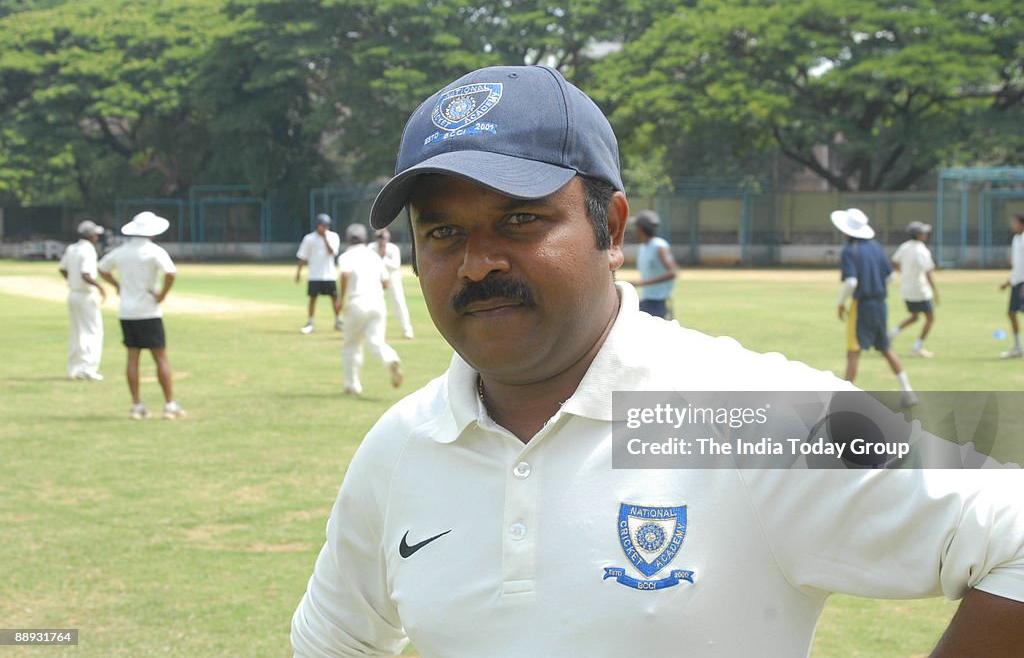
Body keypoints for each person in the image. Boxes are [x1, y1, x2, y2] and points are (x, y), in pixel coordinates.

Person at [292, 66, 1024, 657]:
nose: (478, 263)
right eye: (443, 232)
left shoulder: (745, 414)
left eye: (520, 220)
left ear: (610, 229)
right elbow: (332, 641)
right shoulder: (401, 445)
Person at [98, 211, 186, 420]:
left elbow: (102, 269)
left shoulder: (121, 251)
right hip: (149, 311)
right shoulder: (154, 251)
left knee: (132, 358)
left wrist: (117, 285)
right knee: (160, 358)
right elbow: (171, 273)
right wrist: (162, 295)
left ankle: (137, 405)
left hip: (127, 312)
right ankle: (169, 404)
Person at [832, 208, 917, 407]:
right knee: (886, 348)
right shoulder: (876, 247)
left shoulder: (849, 250)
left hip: (861, 306)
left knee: (853, 351)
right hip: (880, 305)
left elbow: (851, 282)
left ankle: (843, 400)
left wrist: (840, 303)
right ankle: (908, 391)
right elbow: (890, 276)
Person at [336, 223, 403, 395]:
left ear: (348, 239)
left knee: (352, 345)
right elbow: (386, 283)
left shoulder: (346, 256)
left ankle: (352, 384)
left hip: (356, 302)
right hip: (377, 302)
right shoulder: (374, 256)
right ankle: (391, 359)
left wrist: (340, 299)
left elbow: (345, 274)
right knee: (376, 342)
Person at [59, 220, 107, 381]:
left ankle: (74, 368)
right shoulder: (88, 250)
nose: (97, 238)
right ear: (91, 236)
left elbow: (62, 268)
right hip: (86, 295)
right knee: (93, 331)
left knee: (77, 332)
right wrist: (100, 287)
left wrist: (72, 281)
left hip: (73, 294)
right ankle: (89, 368)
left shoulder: (72, 248)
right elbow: (86, 275)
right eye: (96, 235)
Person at [890, 220, 938, 357]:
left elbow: (894, 260)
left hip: (906, 288)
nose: (926, 234)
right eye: (923, 232)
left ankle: (891, 333)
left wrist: (903, 273)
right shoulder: (922, 250)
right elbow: (928, 272)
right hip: (920, 289)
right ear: (917, 235)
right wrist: (934, 290)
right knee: (930, 318)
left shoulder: (904, 247)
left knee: (915, 316)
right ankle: (917, 347)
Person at [295, 213, 343, 335]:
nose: (325, 228)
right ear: (317, 225)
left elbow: (332, 252)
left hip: (329, 274)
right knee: (312, 299)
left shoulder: (333, 236)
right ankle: (310, 322)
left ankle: (338, 321)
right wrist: (298, 273)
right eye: (322, 225)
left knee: (334, 298)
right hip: (314, 275)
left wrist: (325, 238)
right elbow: (302, 257)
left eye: (327, 225)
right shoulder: (309, 239)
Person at [629, 209, 678, 319]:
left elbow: (673, 272)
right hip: (648, 300)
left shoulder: (659, 246)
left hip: (657, 302)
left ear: (641, 228)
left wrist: (642, 283)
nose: (634, 230)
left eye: (636, 227)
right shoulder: (643, 247)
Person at [373, 227, 415, 338]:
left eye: (383, 237)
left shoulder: (393, 248)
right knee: (374, 304)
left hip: (392, 278)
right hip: (376, 280)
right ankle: (374, 331)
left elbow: (395, 265)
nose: (381, 240)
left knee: (399, 303)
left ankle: (407, 330)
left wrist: (382, 258)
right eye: (379, 237)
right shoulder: (371, 248)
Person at [998, 213, 1024, 358]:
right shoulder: (1016, 239)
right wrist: (1008, 282)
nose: (1012, 225)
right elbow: (1018, 265)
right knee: (1012, 313)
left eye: (1015, 222)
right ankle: (1018, 347)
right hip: (1016, 283)